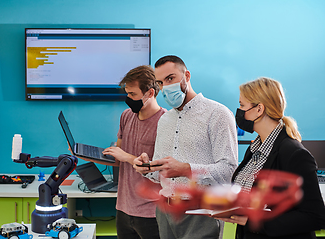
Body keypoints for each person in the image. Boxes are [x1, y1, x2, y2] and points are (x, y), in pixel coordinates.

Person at [133, 55, 238, 239]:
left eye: (170, 78)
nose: (165, 86)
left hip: (201, 212)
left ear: (187, 76)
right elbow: (161, 174)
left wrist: (187, 169)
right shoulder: (164, 119)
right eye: (160, 82)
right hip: (165, 211)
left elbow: (228, 170)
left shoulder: (218, 114)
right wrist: (147, 167)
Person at [216, 77, 325, 238]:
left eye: (241, 105)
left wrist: (254, 220)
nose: (238, 111)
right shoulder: (254, 150)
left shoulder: (294, 154)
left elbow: (314, 216)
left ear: (259, 109)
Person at [76, 65, 167, 239]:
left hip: (152, 212)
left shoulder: (166, 122)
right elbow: (118, 159)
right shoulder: (126, 115)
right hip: (123, 208)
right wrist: (83, 154)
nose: (128, 98)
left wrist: (125, 156)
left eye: (132, 94)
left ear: (150, 93)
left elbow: (163, 169)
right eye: (127, 93)